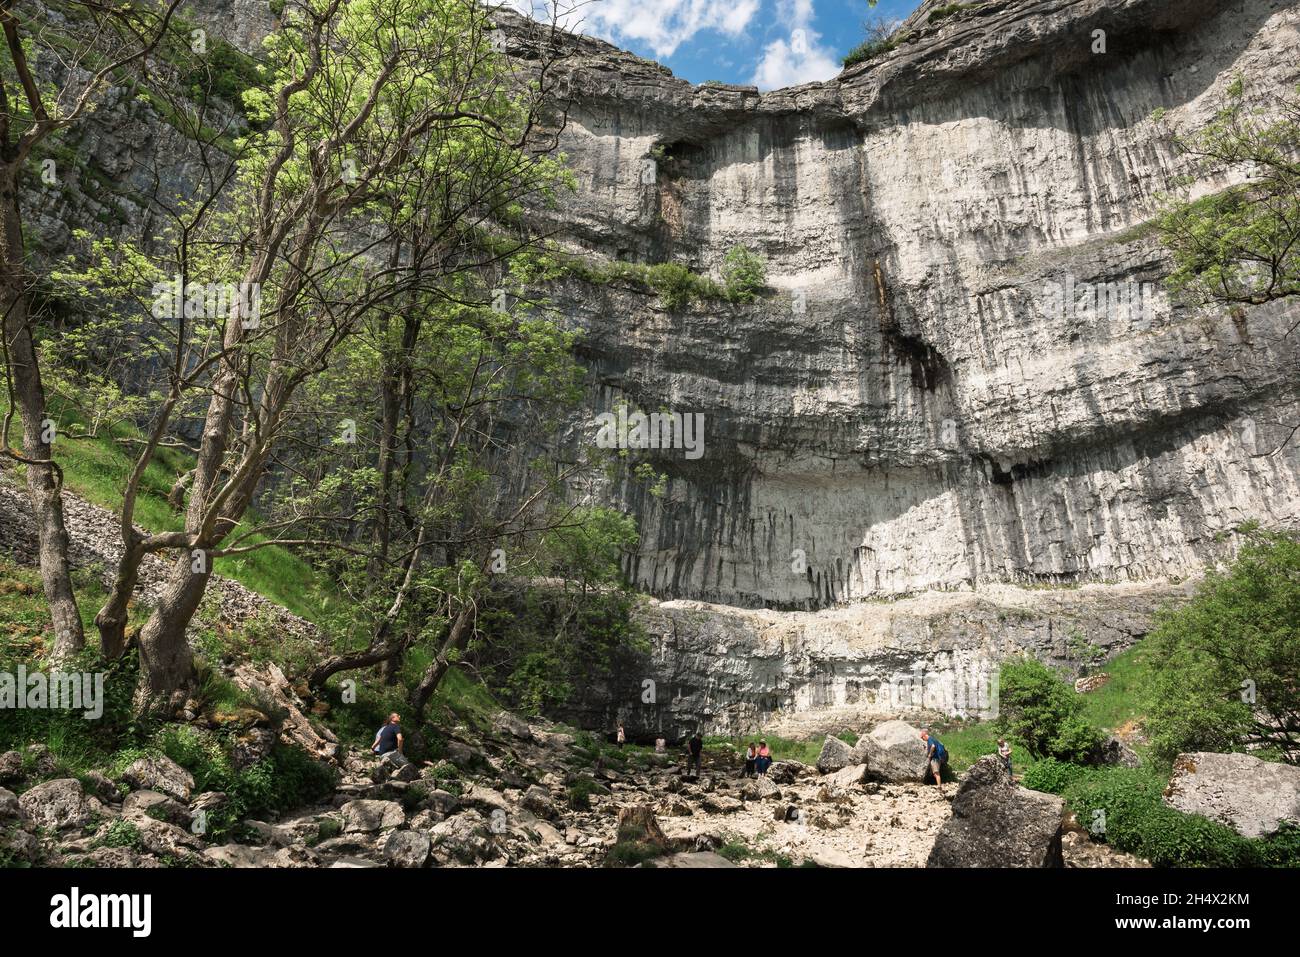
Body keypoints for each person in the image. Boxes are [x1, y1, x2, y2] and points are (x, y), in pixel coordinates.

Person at [921, 728, 947, 795]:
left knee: (936, 773)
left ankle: (939, 787)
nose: (922, 739)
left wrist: (929, 754)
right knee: (935, 773)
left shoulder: (930, 739)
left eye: (922, 737)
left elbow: (933, 746)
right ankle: (939, 786)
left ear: (924, 735)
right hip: (937, 758)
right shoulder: (932, 739)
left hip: (935, 758)